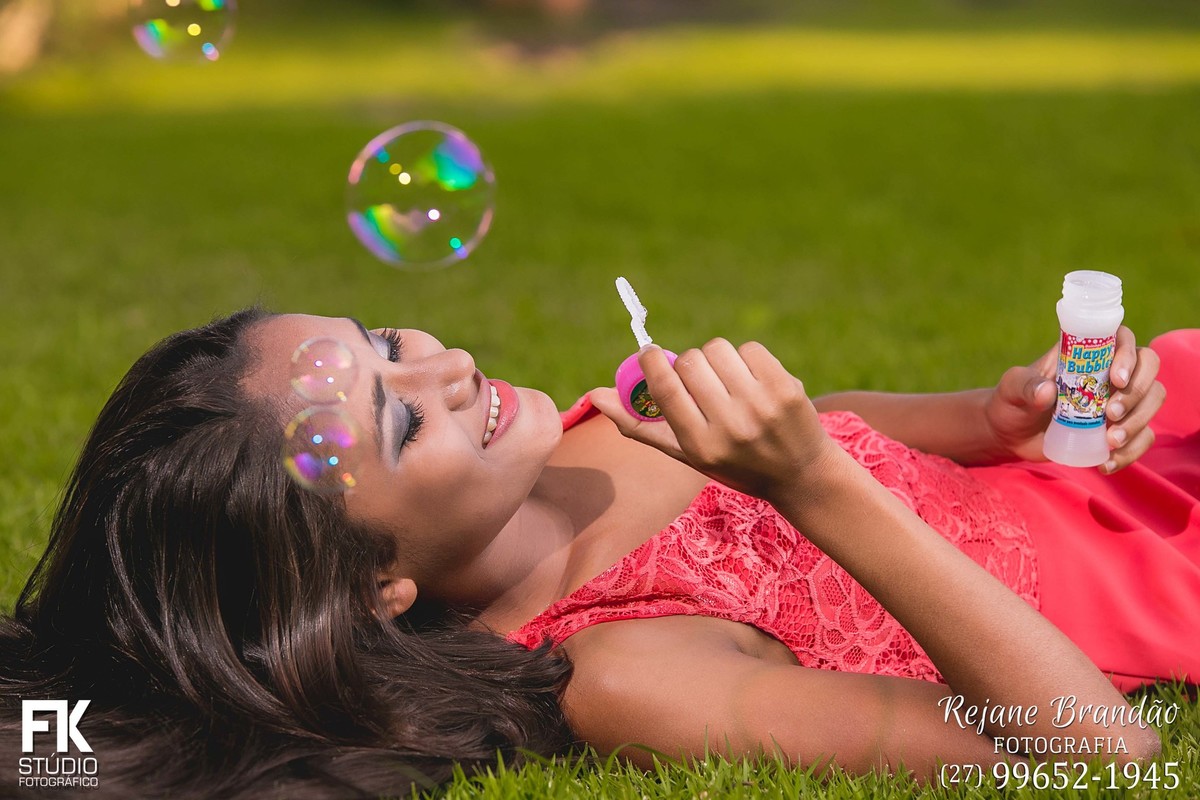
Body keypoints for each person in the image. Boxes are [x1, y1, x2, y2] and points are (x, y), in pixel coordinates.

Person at [1, 307, 1195, 799]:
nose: (446, 366)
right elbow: (1103, 755)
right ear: (372, 582)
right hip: (1159, 573)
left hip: (1133, 460)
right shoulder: (623, 670)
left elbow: (840, 427)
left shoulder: (594, 431)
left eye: (385, 338)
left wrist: (992, 419)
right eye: (400, 419)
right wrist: (809, 486)